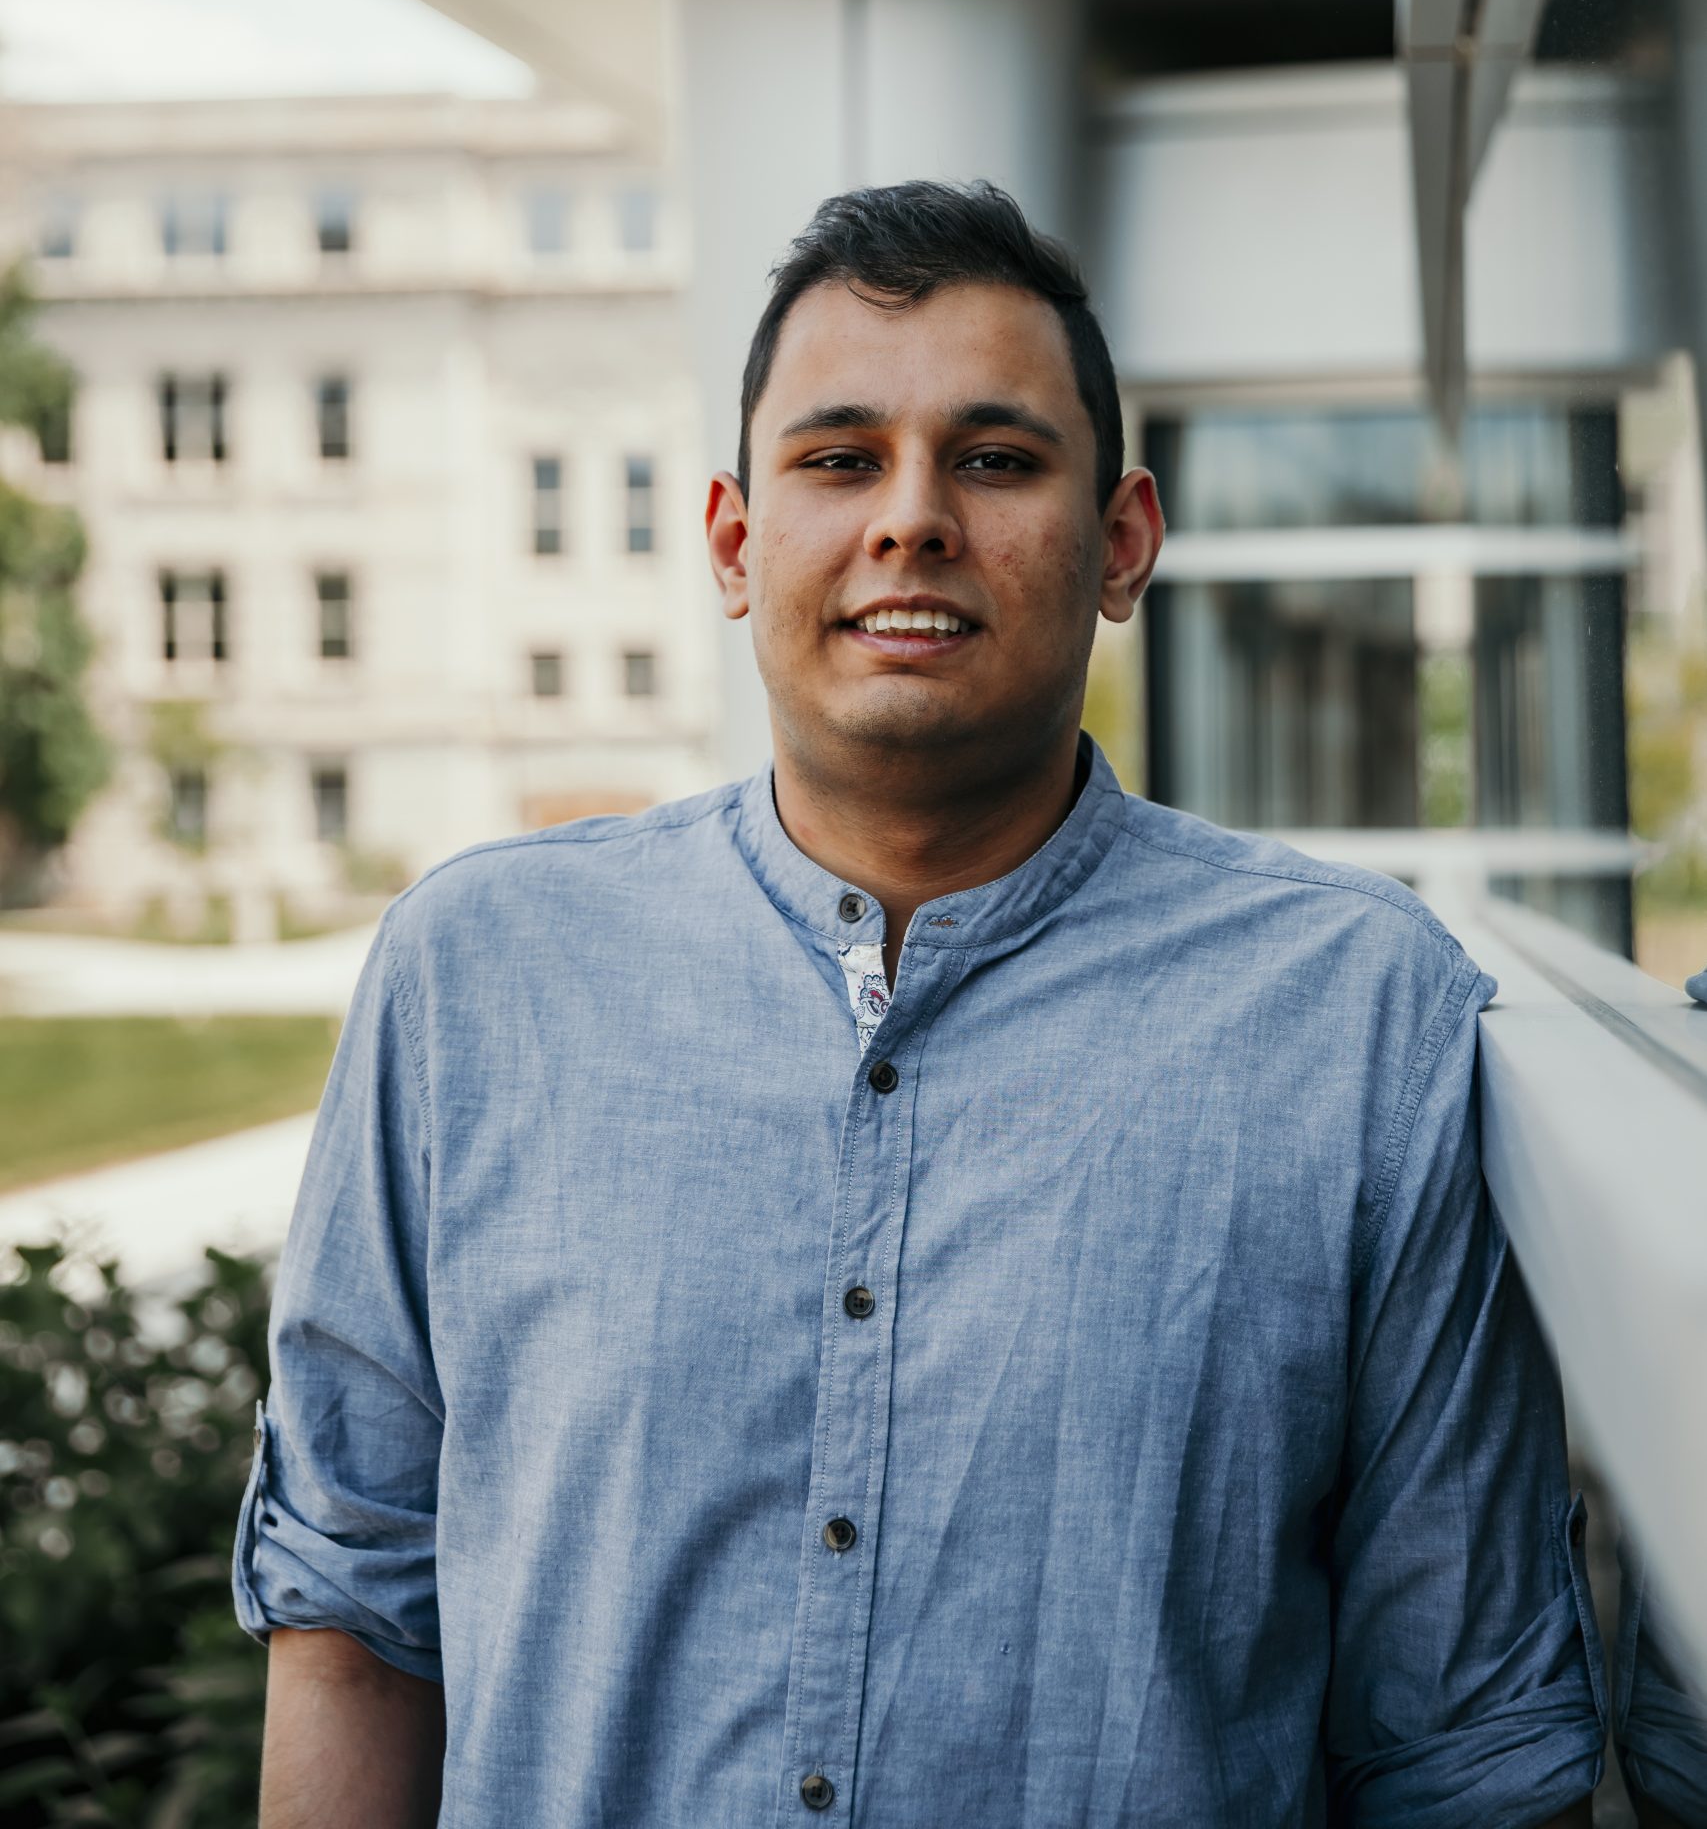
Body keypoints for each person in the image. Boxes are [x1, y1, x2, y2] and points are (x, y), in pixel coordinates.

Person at [242, 180, 1607, 1828]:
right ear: (738, 544)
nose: (911, 520)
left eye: (996, 457)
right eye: (838, 459)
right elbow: (356, 1620)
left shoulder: (1360, 1019)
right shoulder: (476, 979)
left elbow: (1463, 1737)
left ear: (1122, 545)